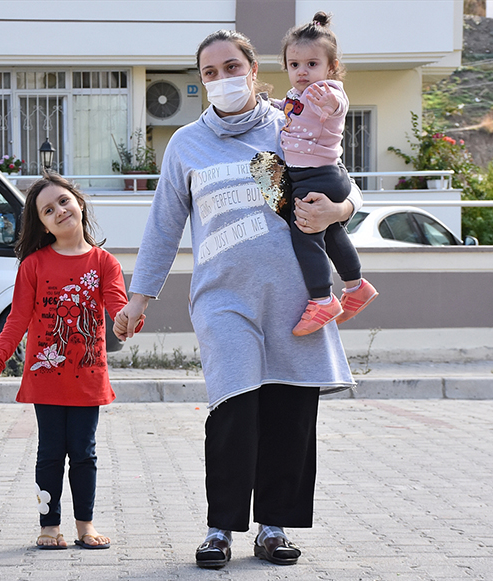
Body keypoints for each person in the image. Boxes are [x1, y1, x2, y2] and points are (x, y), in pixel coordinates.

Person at [115, 30, 357, 569]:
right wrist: (139, 298)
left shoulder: (292, 122)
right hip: (224, 300)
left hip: (297, 297)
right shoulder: (185, 145)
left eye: (231, 67)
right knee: (234, 406)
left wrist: (338, 214)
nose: (221, 79)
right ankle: (220, 528)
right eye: (209, 73)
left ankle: (273, 528)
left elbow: (343, 183)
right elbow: (162, 227)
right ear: (201, 82)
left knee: (289, 410)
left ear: (253, 70)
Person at [0, 173, 142, 551]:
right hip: (45, 380)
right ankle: (49, 526)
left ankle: (86, 525)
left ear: (79, 203)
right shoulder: (33, 265)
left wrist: (129, 317)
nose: (59, 211)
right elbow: (17, 319)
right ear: (43, 224)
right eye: (48, 210)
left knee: (84, 453)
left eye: (63, 201)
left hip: (88, 379)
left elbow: (118, 308)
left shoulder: (104, 263)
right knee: (49, 454)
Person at [279, 11, 378, 336]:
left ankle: (322, 299)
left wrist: (329, 102)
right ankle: (356, 285)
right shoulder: (298, 95)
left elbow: (337, 104)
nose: (302, 72)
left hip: (318, 176)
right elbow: (293, 110)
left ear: (331, 67)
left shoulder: (326, 92)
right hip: (319, 176)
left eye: (312, 64)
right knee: (332, 233)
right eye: (295, 65)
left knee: (305, 236)